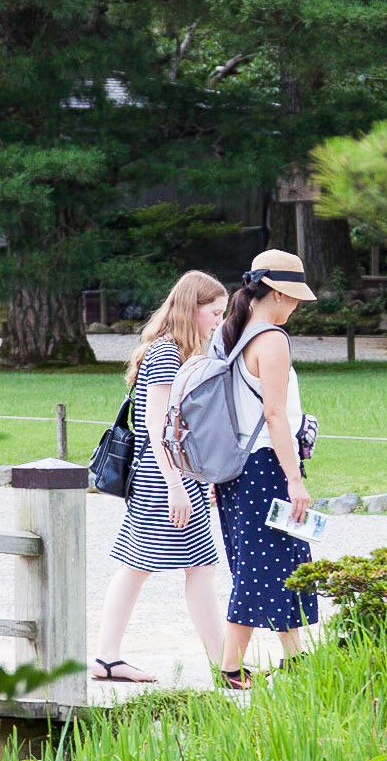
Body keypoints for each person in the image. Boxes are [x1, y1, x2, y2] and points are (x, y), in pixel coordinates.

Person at [92, 271, 228, 683]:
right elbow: (156, 425)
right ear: (192, 308)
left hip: (171, 473)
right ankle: (225, 665)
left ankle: (108, 658)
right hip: (164, 474)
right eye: (214, 312)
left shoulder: (173, 350)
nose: (218, 321)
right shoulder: (168, 353)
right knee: (180, 566)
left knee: (156, 565)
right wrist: (176, 486)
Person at [214, 250, 319, 690]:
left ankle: (295, 657)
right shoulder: (272, 339)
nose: (295, 306)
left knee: (278, 559)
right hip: (266, 465)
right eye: (293, 298)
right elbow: (275, 415)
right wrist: (294, 479)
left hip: (235, 466)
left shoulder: (230, 332)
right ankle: (230, 667)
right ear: (276, 293)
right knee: (261, 565)